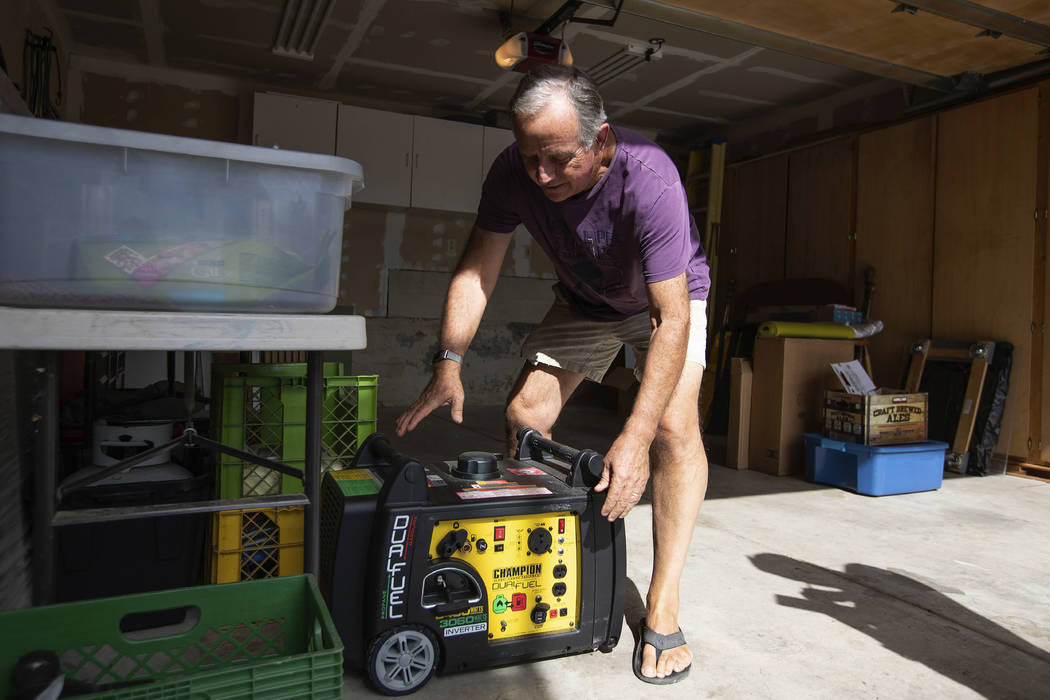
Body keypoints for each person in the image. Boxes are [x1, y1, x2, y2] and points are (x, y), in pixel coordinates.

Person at [395, 64, 710, 685]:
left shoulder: (650, 178)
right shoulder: (516, 170)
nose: (540, 175)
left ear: (601, 141)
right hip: (585, 301)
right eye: (529, 155)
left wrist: (636, 435)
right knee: (523, 417)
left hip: (665, 301)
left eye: (558, 159)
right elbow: (476, 267)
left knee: (672, 428)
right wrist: (449, 358)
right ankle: (534, 565)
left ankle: (665, 599)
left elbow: (670, 320)